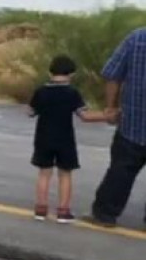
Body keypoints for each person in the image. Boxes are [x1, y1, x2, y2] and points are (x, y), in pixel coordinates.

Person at [29, 55, 107, 223]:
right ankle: (63, 211)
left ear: (50, 72)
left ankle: (41, 209)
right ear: (72, 74)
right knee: (65, 174)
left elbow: (30, 112)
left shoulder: (40, 91)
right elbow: (84, 116)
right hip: (65, 138)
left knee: (44, 173)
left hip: (43, 137)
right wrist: (106, 116)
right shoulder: (72, 93)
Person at [89, 28, 146, 228]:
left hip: (133, 123)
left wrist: (111, 107)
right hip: (133, 122)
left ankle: (105, 214)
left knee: (120, 171)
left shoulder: (136, 39)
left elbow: (113, 75)